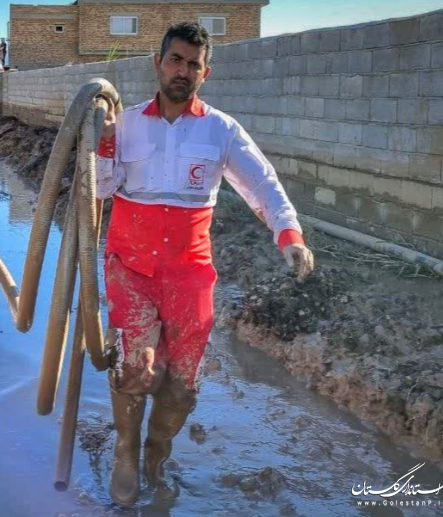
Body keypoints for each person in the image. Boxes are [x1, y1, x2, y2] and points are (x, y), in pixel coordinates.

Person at [95, 22, 314, 506]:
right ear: (158, 62)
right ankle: (127, 451)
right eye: (175, 59)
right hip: (130, 266)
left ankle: (156, 452)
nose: (183, 70)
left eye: (193, 63)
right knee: (137, 365)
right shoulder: (125, 123)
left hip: (189, 272)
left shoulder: (221, 129)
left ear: (205, 72)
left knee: (182, 383)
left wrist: (289, 233)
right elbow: (100, 190)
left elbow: (262, 184)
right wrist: (104, 142)